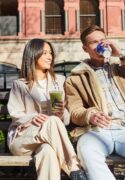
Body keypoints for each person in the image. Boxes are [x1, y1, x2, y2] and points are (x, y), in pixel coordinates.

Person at [65, 25, 125, 180]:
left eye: (102, 40)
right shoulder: (75, 78)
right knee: (86, 148)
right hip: (97, 131)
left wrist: (122, 54)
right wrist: (90, 115)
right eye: (94, 42)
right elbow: (75, 111)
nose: (100, 45)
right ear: (85, 48)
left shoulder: (123, 68)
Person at [7, 38, 87, 180]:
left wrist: (62, 114)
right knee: (52, 121)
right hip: (23, 139)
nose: (49, 56)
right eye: (44, 53)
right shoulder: (20, 84)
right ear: (33, 54)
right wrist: (33, 117)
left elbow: (66, 119)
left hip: (49, 141)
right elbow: (15, 113)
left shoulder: (60, 81)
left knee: (48, 152)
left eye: (50, 53)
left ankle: (74, 170)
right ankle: (74, 167)